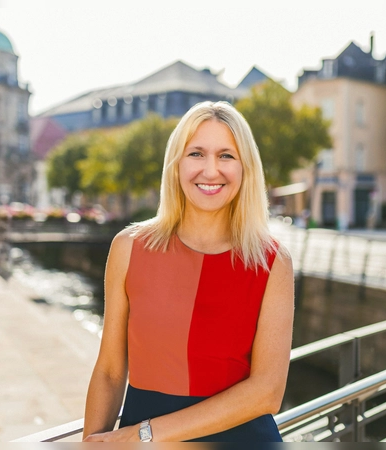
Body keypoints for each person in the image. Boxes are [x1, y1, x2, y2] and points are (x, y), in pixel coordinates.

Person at [82, 101, 294, 442]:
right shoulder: (129, 247)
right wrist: (94, 443)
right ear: (176, 164)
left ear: (245, 168)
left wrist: (142, 437)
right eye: (196, 153)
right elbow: (109, 371)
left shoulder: (272, 262)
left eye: (226, 155)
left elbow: (267, 392)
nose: (211, 171)